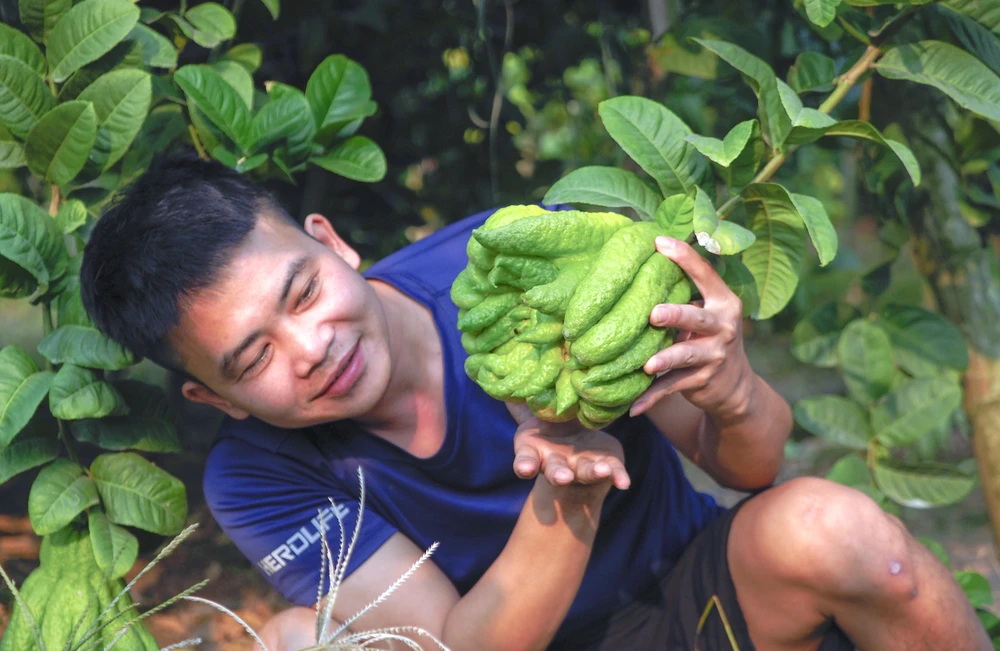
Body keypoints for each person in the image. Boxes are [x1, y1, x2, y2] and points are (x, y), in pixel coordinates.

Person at [80, 154, 989, 651]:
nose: (312, 347)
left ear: (332, 244)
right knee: (295, 644)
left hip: (698, 588)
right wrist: (571, 490)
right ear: (216, 396)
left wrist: (731, 384)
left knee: (839, 530)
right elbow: (453, 647)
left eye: (303, 293)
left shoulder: (506, 264)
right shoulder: (258, 475)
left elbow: (750, 463)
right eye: (255, 357)